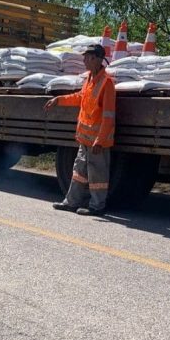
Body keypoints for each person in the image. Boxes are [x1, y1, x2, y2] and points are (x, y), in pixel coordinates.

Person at [44, 43, 116, 216]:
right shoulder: (90, 80)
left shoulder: (107, 84)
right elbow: (79, 98)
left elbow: (108, 116)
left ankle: (97, 206)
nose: (84, 60)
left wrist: (100, 140)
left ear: (97, 59)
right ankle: (71, 202)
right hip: (85, 139)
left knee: (97, 175)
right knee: (78, 172)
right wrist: (59, 99)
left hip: (98, 141)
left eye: (87, 57)